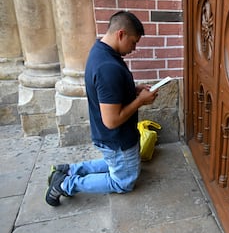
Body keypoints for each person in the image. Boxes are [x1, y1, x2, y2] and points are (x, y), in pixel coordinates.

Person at [45, 11, 158, 206]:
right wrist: (140, 101)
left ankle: (68, 169)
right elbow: (111, 120)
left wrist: (134, 90)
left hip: (109, 139)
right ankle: (66, 183)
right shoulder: (108, 67)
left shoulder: (100, 50)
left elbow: (108, 92)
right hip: (116, 139)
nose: (134, 48)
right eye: (133, 42)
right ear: (121, 34)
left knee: (117, 164)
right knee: (123, 181)